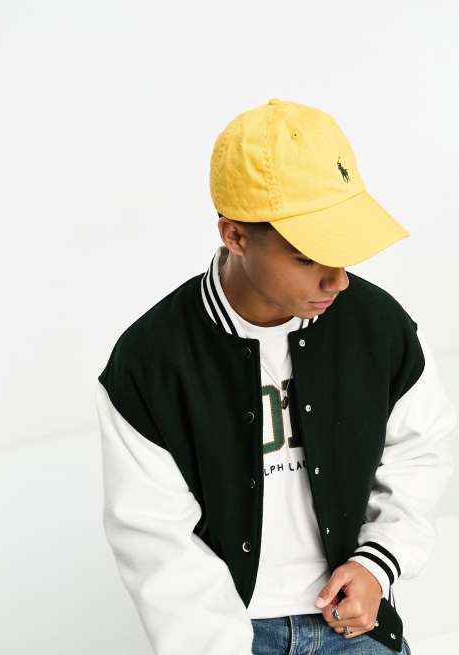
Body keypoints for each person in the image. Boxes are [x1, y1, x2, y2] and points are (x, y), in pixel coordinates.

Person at [95, 99, 456, 655]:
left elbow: (420, 450)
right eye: (308, 256)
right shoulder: (151, 362)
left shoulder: (378, 326)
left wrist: (378, 562)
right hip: (232, 634)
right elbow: (154, 540)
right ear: (235, 235)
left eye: (343, 249)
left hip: (354, 623)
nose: (337, 279)